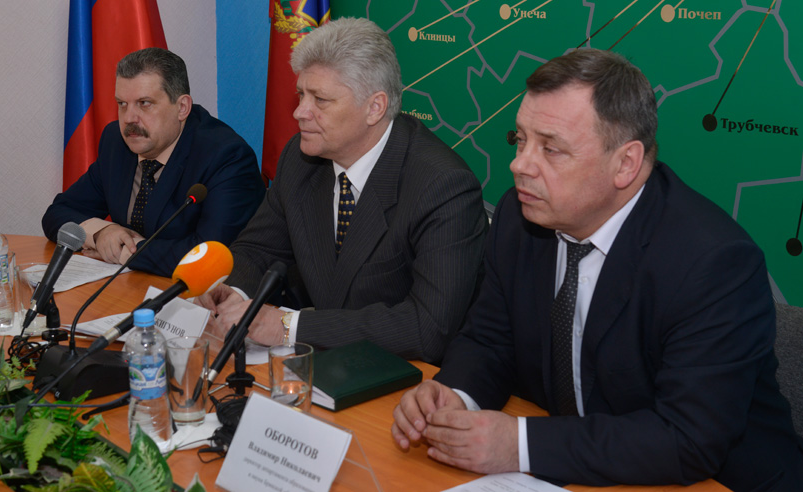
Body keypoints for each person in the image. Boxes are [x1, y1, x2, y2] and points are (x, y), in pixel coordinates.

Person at [391, 49, 803, 490]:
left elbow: (687, 438)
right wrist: (455, 396)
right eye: (520, 139)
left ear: (625, 163)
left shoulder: (714, 263)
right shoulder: (518, 217)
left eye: (551, 148)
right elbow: (490, 340)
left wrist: (519, 444)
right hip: (580, 469)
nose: (519, 164)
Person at [196, 18, 488, 364]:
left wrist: (288, 326)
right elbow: (259, 247)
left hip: (408, 374)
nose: (299, 112)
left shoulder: (442, 186)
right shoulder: (300, 160)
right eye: (301, 94)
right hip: (328, 367)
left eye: (320, 99)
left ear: (375, 108)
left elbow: (427, 328)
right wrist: (235, 292)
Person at [42, 48, 264, 277]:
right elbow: (58, 213)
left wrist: (124, 251)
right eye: (122, 104)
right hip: (132, 287)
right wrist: (101, 233)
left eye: (144, 103)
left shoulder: (226, 157)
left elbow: (212, 255)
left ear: (182, 108)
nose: (129, 119)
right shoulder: (116, 142)